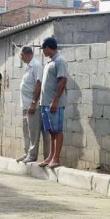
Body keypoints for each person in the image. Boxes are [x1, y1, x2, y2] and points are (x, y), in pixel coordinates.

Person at [38, 38, 68, 169]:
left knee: (57, 130)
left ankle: (56, 158)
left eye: (44, 49)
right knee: (51, 131)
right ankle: (50, 156)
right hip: (45, 103)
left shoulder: (60, 61)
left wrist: (55, 100)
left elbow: (62, 81)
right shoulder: (49, 62)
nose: (43, 52)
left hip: (55, 104)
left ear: (48, 48)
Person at [18, 46, 48, 163]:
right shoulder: (28, 66)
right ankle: (27, 153)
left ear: (26, 54)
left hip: (33, 106)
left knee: (33, 132)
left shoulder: (36, 66)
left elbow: (38, 85)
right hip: (25, 105)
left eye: (21, 55)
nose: (21, 58)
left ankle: (33, 155)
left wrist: (33, 102)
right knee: (27, 130)